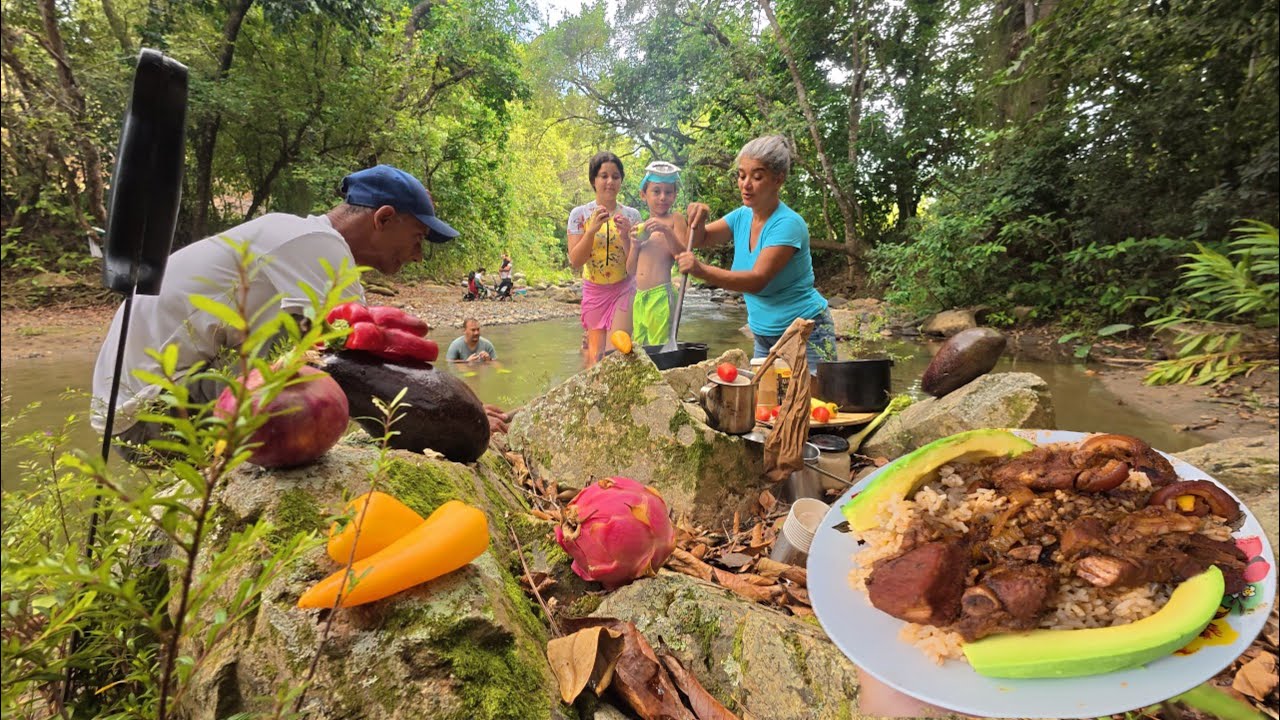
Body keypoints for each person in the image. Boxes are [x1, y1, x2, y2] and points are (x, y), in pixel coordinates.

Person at [90, 164, 505, 460]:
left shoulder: (303, 238)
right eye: (417, 238)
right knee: (329, 363)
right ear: (383, 218)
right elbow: (356, 368)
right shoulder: (315, 244)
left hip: (139, 410)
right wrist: (454, 419)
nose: (418, 256)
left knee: (318, 350)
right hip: (148, 415)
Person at [676, 135, 837, 369]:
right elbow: (701, 239)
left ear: (778, 179)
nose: (746, 184)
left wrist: (701, 270)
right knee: (767, 403)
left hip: (806, 333)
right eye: (741, 175)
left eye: (757, 176)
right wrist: (699, 217)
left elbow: (757, 280)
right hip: (763, 335)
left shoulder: (788, 224)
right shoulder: (742, 215)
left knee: (813, 403)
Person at [566, 151, 641, 366]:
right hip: (594, 290)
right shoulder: (579, 215)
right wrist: (591, 231)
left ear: (621, 181)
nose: (610, 182)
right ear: (593, 180)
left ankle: (621, 400)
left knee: (616, 355)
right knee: (594, 361)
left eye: (615, 177)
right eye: (604, 176)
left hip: (624, 289)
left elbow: (634, 268)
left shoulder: (633, 216)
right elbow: (576, 261)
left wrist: (628, 237)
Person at [626, 161, 687, 347]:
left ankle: (662, 374)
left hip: (661, 295)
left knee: (659, 346)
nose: (662, 197)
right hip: (640, 296)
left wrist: (666, 230)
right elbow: (630, 270)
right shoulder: (640, 227)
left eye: (668, 192)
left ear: (675, 195)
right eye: (656, 191)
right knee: (639, 346)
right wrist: (635, 246)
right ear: (643, 195)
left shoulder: (675, 219)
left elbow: (682, 255)